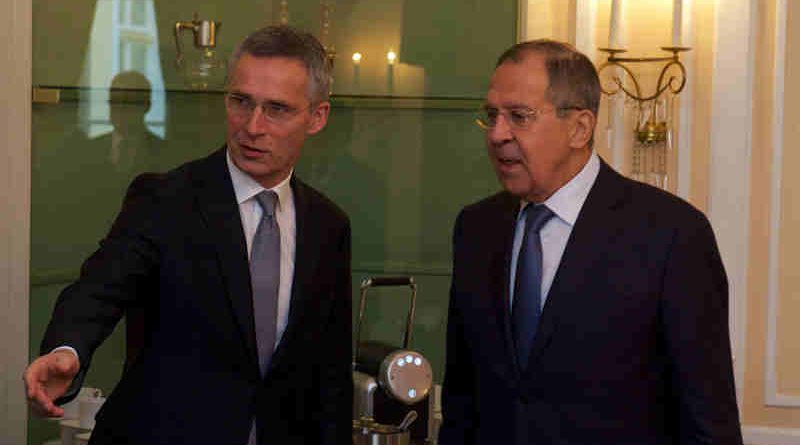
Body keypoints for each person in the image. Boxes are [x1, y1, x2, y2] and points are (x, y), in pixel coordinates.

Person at [23, 25, 352, 445]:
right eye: (241, 102)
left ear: (317, 117)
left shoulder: (328, 225)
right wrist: (65, 352)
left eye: (276, 109)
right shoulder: (166, 199)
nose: (252, 126)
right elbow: (98, 290)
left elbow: (331, 371)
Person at [439, 39, 743, 445]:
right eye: (491, 115)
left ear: (580, 128)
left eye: (519, 117)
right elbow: (462, 399)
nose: (497, 134)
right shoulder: (476, 229)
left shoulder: (671, 234)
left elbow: (708, 418)